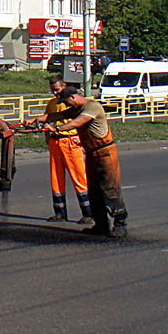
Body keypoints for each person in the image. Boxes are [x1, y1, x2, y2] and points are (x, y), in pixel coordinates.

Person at [41, 85, 128, 238]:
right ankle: (101, 225)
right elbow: (55, 116)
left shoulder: (92, 107)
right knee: (93, 191)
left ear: (73, 97)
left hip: (105, 153)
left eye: (68, 102)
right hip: (91, 154)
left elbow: (77, 123)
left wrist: (57, 130)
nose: (67, 106)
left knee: (110, 189)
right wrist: (34, 120)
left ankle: (120, 224)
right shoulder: (76, 109)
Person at [40, 76, 92, 224]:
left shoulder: (75, 103)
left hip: (71, 142)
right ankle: (60, 212)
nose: (55, 94)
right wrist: (47, 137)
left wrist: (81, 140)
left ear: (64, 86)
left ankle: (88, 213)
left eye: (57, 90)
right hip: (55, 143)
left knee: (79, 179)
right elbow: (48, 119)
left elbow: (83, 121)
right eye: (53, 91)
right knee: (56, 179)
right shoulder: (52, 104)